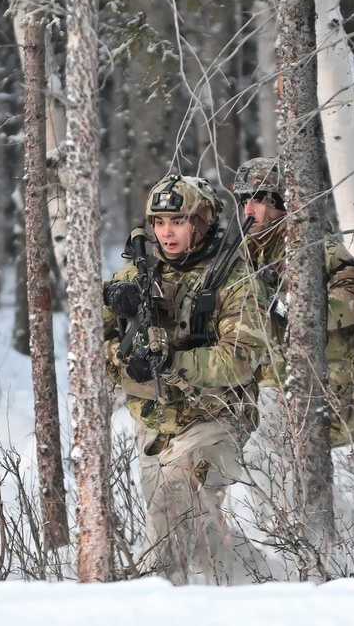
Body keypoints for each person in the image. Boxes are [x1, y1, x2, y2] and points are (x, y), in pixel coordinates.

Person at [102, 174, 272, 585]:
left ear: (201, 221)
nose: (166, 232)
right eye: (159, 222)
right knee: (197, 530)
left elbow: (240, 360)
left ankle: (152, 600)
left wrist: (171, 360)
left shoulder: (234, 278)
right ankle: (261, 585)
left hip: (215, 420)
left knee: (173, 507)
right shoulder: (132, 278)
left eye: (177, 221)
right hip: (155, 426)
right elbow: (92, 350)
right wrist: (125, 353)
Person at [232, 157, 354, 445]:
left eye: (258, 200)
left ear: (280, 202)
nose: (248, 209)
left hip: (334, 398)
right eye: (244, 200)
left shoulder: (315, 246)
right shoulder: (250, 247)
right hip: (281, 389)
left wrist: (300, 307)